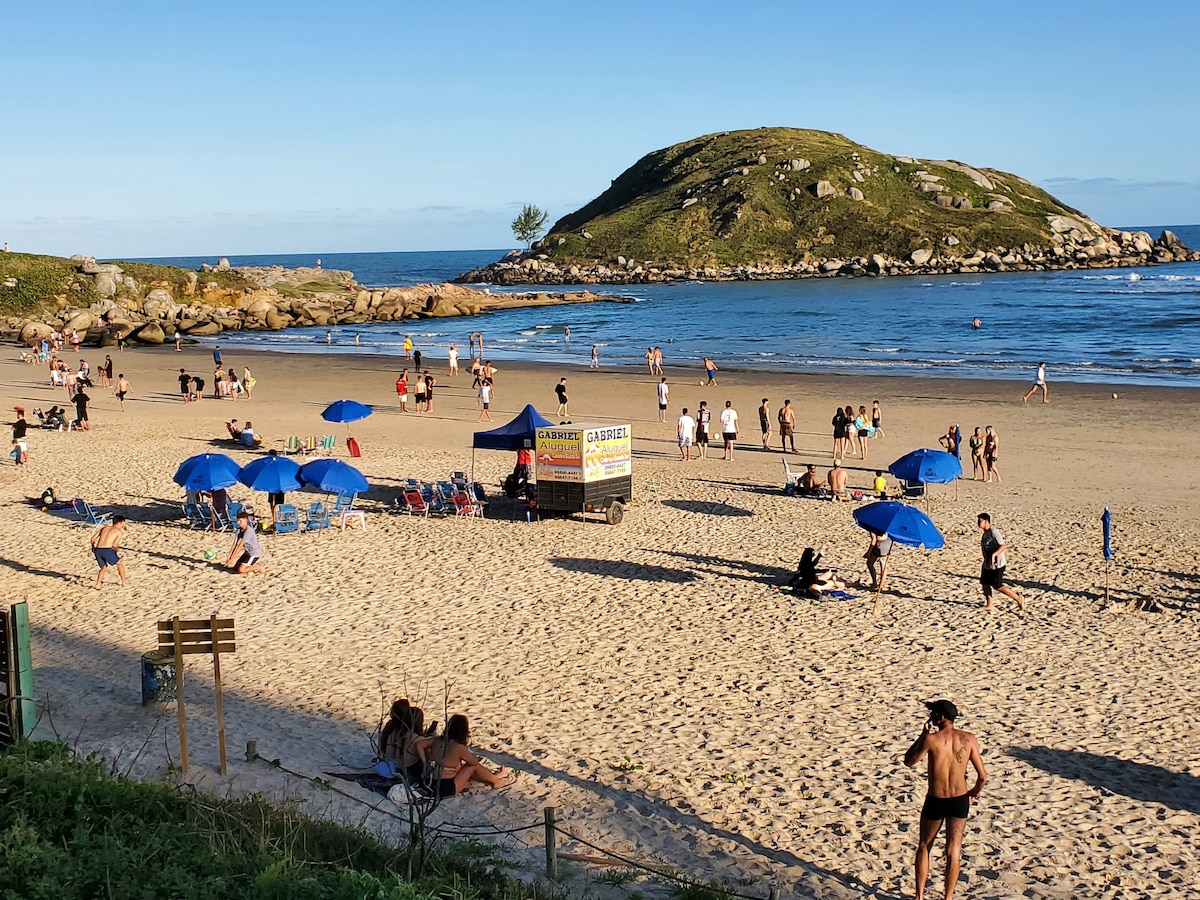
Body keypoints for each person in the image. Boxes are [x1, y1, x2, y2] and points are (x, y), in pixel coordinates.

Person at [904, 700, 987, 900]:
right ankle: (948, 897)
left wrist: (922, 735)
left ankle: (920, 896)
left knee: (925, 845)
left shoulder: (931, 740)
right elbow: (982, 777)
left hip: (936, 799)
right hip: (959, 799)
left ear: (939, 717)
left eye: (933, 713)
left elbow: (909, 761)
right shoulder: (969, 739)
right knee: (954, 848)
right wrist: (973, 793)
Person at [425, 714, 514, 796]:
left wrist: (424, 760)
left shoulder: (437, 740)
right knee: (472, 766)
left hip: (430, 782)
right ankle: (496, 781)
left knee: (465, 767)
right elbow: (473, 762)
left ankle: (494, 777)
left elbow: (419, 744)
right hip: (446, 788)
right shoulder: (458, 747)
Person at [978, 512, 1024, 611]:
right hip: (988, 564)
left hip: (998, 564)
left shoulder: (994, 532)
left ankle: (1018, 598)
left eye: (980, 521)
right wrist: (986, 561)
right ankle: (989, 604)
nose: (978, 523)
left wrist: (994, 556)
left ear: (986, 521)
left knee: (997, 586)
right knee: (985, 583)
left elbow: (1003, 546)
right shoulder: (985, 534)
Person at [90, 516, 128, 588]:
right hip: (107, 550)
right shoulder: (118, 532)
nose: (123, 525)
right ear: (119, 523)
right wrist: (117, 550)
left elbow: (92, 539)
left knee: (104, 567)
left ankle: (98, 584)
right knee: (120, 564)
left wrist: (93, 547)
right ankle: (124, 582)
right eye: (123, 524)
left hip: (98, 549)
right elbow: (114, 544)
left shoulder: (104, 528)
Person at [225, 510, 265, 574]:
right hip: (247, 553)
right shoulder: (239, 530)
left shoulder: (248, 531)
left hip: (253, 553)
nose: (238, 522)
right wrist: (229, 557)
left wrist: (232, 560)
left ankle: (259, 567)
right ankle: (249, 566)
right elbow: (234, 544)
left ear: (245, 520)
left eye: (240, 521)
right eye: (237, 520)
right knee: (235, 569)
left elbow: (239, 546)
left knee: (241, 570)